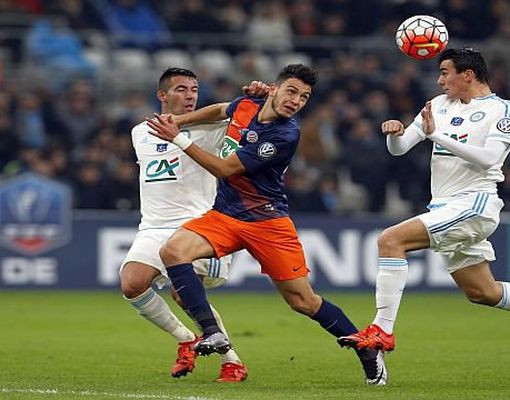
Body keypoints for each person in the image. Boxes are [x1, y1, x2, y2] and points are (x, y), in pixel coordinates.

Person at [338, 48, 510, 362]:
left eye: (445, 72)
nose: (439, 80)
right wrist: (395, 134)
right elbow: (400, 148)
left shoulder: (505, 110)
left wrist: (439, 137)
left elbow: (489, 158)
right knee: (482, 292)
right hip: (445, 207)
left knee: (390, 240)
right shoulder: (437, 105)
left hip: (475, 204)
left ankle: (382, 329)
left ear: (468, 75)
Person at [146, 64, 388, 386]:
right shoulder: (247, 104)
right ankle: (213, 333)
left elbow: (224, 169)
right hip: (226, 215)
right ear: (273, 89)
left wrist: (178, 137)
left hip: (268, 222)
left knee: (303, 301)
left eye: (304, 97)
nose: (296, 101)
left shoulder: (286, 134)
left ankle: (367, 350)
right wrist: (180, 119)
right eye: (291, 91)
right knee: (174, 251)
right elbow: (222, 109)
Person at [120, 67, 266, 382]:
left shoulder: (212, 128)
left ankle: (232, 361)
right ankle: (186, 339)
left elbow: (236, 111)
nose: (190, 96)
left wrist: (254, 97)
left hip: (198, 224)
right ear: (162, 95)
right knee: (132, 283)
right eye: (181, 89)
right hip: (153, 226)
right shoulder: (139, 132)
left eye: (194, 90)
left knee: (183, 293)